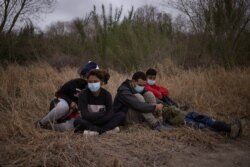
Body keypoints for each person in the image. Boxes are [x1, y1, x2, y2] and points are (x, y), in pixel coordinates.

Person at [36, 61, 99, 131]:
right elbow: (59, 93)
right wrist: (70, 102)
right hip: (60, 105)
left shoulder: (94, 91)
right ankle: (41, 123)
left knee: (71, 126)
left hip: (73, 114)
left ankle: (49, 127)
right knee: (63, 107)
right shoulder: (75, 83)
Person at [74, 70, 125, 135]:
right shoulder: (83, 94)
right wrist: (101, 114)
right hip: (89, 121)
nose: (92, 84)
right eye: (90, 82)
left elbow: (110, 113)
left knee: (121, 115)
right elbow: (84, 114)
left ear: (101, 82)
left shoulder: (107, 95)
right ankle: (105, 131)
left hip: (103, 121)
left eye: (95, 81)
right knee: (77, 121)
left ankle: (95, 131)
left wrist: (101, 118)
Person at [163, 106, 245, 138]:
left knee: (205, 119)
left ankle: (229, 127)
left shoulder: (155, 95)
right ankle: (228, 130)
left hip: (185, 113)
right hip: (178, 120)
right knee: (201, 127)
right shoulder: (151, 106)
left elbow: (164, 92)